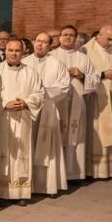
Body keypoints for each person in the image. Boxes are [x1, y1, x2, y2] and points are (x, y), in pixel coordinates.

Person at [0, 39, 43, 205]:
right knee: (1, 153)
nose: (13, 53)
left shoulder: (32, 73)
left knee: (22, 154)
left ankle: (21, 192)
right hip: (2, 119)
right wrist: (5, 103)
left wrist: (26, 102)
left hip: (23, 118)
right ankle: (0, 193)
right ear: (5, 51)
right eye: (10, 50)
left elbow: (40, 94)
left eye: (17, 51)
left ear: (23, 52)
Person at [22, 32, 70, 195]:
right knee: (28, 145)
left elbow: (65, 87)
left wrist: (44, 93)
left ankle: (48, 186)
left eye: (44, 42)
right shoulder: (24, 62)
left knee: (48, 147)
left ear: (50, 45)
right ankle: (29, 184)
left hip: (48, 108)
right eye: (37, 41)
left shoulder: (57, 64)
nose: (40, 44)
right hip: (28, 109)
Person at [50, 25, 96, 180]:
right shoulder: (51, 56)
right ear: (60, 37)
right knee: (58, 134)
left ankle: (75, 174)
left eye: (71, 35)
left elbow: (95, 79)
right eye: (65, 34)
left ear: (76, 38)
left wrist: (81, 75)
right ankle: (58, 175)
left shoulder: (83, 58)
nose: (68, 37)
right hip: (58, 102)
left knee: (76, 135)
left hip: (77, 100)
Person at [82, 25, 112, 179]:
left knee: (109, 129)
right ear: (99, 35)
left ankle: (107, 169)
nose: (111, 43)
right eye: (108, 39)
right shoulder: (86, 50)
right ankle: (92, 170)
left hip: (110, 97)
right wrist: (102, 74)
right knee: (95, 131)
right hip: (94, 98)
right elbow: (83, 73)